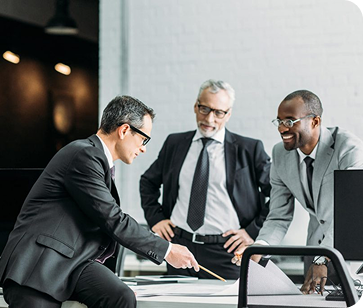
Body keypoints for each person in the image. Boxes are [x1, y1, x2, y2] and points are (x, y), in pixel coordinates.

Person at [0, 95, 199, 308]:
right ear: (125, 130)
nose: (144, 148)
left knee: (121, 296)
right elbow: (111, 218)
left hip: (74, 262)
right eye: (144, 139)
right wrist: (167, 250)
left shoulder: (98, 162)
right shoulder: (83, 154)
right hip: (41, 264)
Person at [232, 89, 363, 294]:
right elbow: (278, 216)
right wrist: (258, 249)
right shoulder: (280, 154)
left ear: (315, 121)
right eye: (279, 121)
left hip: (352, 251)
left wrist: (322, 258)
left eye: (290, 121)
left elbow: (351, 213)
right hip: (314, 249)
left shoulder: (349, 148)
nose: (282, 128)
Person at [140, 79, 271, 280]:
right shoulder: (175, 143)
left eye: (219, 112)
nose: (209, 118)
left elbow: (279, 195)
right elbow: (148, 182)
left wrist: (253, 231)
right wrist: (155, 219)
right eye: (204, 109)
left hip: (227, 252)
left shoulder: (249, 149)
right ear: (195, 106)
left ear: (228, 114)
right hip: (180, 247)